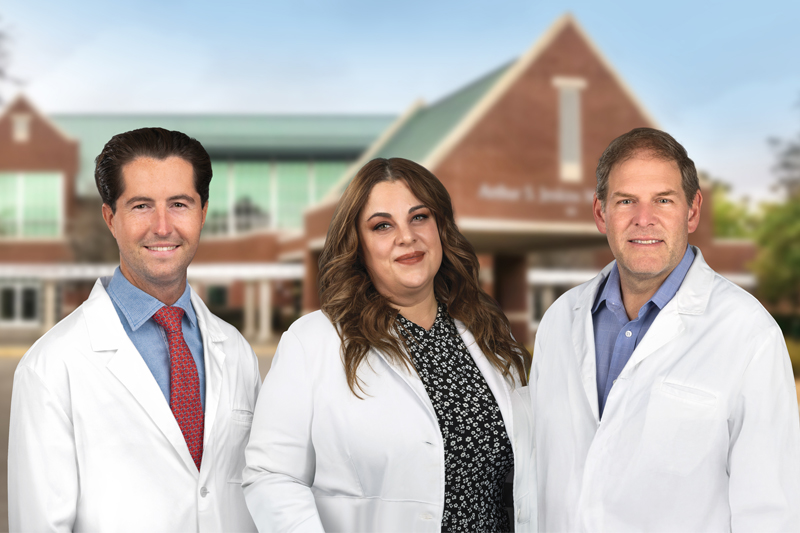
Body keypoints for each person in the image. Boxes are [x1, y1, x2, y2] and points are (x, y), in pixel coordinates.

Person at [242, 157, 535, 532]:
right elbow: (270, 475)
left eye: (419, 217)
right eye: (382, 226)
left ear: (441, 228)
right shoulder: (313, 341)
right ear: (358, 245)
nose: (406, 237)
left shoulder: (490, 334)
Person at [530, 127, 800, 531]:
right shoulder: (559, 320)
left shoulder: (748, 334)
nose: (644, 219)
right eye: (626, 201)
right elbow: (538, 475)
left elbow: (770, 512)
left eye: (663, 200)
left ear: (691, 211)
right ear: (601, 213)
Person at [8, 128, 260, 532]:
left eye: (179, 204)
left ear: (203, 213)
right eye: (141, 206)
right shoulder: (52, 366)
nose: (162, 227)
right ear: (111, 217)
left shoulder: (234, 350)